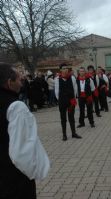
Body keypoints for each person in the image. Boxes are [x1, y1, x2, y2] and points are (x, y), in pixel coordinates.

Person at [0, 63, 50, 198]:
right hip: (13, 177)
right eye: (19, 80)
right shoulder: (16, 107)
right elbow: (22, 152)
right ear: (9, 83)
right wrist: (36, 172)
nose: (22, 84)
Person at [55, 63, 82, 141]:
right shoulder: (57, 79)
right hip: (62, 101)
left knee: (71, 117)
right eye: (63, 68)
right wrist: (61, 99)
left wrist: (73, 98)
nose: (65, 69)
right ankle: (64, 135)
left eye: (66, 68)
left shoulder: (72, 78)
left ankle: (73, 133)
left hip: (71, 101)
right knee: (63, 118)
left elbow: (75, 89)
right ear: (60, 70)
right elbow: (56, 92)